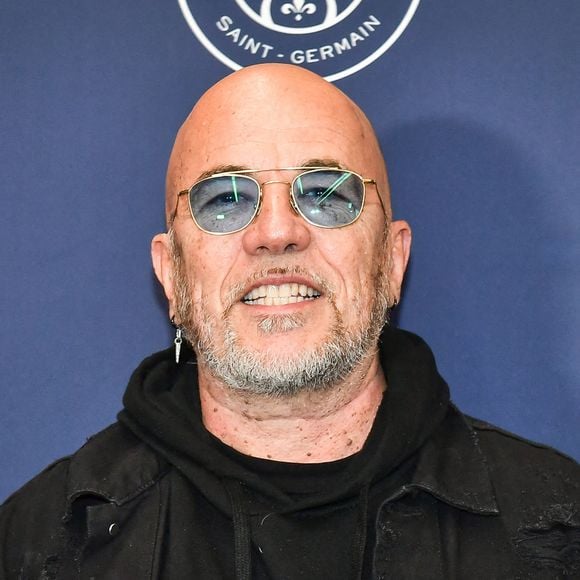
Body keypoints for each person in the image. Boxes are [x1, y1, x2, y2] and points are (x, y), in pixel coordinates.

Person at [1, 64, 578, 580]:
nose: (277, 233)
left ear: (392, 260)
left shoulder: (559, 528)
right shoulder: (38, 544)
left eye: (327, 195)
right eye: (224, 200)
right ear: (171, 275)